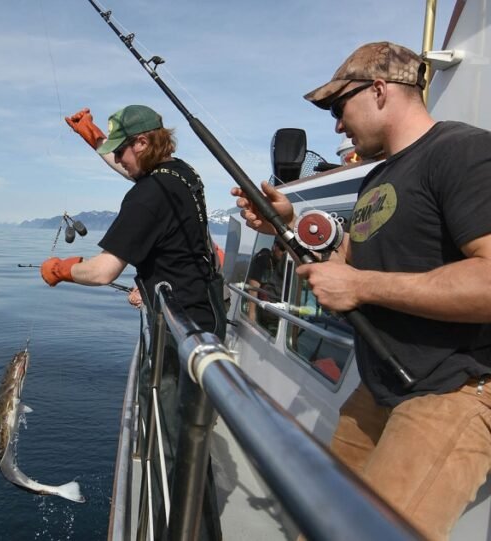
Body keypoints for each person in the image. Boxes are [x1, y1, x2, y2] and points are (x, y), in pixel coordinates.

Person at [233, 41, 491, 540]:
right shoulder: (378, 177)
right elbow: (347, 262)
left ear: (379, 90)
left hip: (453, 390)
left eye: (338, 107)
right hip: (380, 387)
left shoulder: (463, 152)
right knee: (322, 524)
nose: (335, 125)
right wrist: (285, 225)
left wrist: (360, 285)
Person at [42, 104, 225, 539]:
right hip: (204, 314)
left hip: (179, 332)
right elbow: (135, 174)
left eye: (119, 152)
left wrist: (62, 269)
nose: (118, 163)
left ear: (142, 143)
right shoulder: (181, 173)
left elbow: (104, 271)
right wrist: (94, 140)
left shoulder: (147, 194)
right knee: (186, 437)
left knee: (178, 445)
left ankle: (185, 529)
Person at [245, 239, 286, 331]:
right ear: (275, 247)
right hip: (263, 306)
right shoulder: (263, 259)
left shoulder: (284, 264)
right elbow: (253, 288)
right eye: (282, 249)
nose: (284, 253)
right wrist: (251, 315)